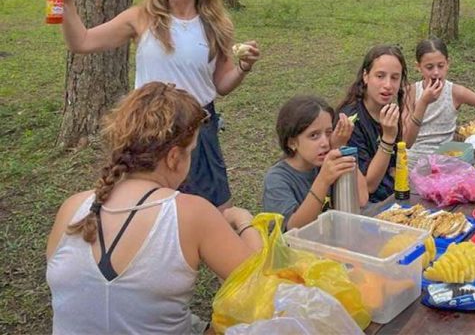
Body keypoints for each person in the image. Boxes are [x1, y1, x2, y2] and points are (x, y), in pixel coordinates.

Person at [42, 0, 260, 208]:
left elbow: (221, 84)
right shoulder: (141, 17)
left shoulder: (216, 24)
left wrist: (243, 68)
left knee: (214, 207)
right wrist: (67, 3)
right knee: (149, 206)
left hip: (197, 127)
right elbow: (83, 42)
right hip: (150, 127)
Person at [46, 83, 261, 335]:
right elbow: (257, 286)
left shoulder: (72, 207)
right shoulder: (191, 213)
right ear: (173, 157)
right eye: (190, 151)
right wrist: (245, 221)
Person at [262, 95, 368, 229]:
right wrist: (323, 180)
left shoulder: (329, 162)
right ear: (292, 142)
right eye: (314, 135)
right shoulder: (277, 179)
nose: (324, 143)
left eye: (328, 133)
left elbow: (362, 199)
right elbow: (293, 229)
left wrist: (339, 147)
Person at [404, 37, 475, 166]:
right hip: (413, 163)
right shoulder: (410, 92)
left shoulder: (455, 92)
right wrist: (423, 102)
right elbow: (406, 140)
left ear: (448, 64)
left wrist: (472, 126)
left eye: (440, 66)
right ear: (418, 67)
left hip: (445, 163)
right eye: (429, 67)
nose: (436, 72)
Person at [337, 44, 409, 203]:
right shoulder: (351, 121)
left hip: (391, 196)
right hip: (365, 207)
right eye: (380, 76)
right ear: (365, 76)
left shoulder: (389, 110)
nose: (388, 85)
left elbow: (392, 168)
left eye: (395, 78)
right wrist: (388, 138)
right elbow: (369, 186)